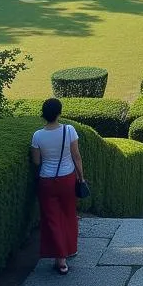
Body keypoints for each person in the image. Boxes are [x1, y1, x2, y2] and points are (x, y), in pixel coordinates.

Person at [31, 97, 86, 274]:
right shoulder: (69, 130)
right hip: (67, 178)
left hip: (47, 181)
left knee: (52, 219)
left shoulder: (37, 135)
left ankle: (60, 259)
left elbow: (36, 161)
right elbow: (76, 156)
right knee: (69, 215)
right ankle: (69, 251)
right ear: (59, 113)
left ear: (43, 115)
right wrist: (81, 177)